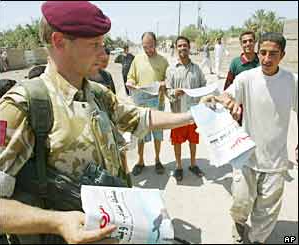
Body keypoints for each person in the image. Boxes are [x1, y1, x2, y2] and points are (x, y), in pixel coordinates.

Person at [0, 2, 213, 243]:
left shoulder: (97, 93)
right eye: (94, 45)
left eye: (103, 44)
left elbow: (141, 117)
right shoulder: (23, 106)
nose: (103, 55)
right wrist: (56, 222)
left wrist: (195, 114)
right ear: (59, 41)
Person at [203, 32, 298, 244]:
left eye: (273, 54)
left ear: (282, 55)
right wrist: (221, 100)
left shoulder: (291, 81)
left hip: (275, 160)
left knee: (267, 210)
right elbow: (227, 95)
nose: (266, 59)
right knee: (241, 202)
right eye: (263, 53)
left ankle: (257, 239)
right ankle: (238, 223)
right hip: (246, 156)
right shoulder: (247, 78)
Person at [164, 36, 206, 182]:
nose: (182, 48)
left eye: (185, 45)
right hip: (178, 114)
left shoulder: (197, 69)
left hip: (194, 113)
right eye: (180, 46)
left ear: (189, 47)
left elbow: (204, 87)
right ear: (176, 48)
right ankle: (179, 166)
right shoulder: (171, 70)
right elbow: (167, 90)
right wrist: (174, 93)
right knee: (177, 141)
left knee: (193, 140)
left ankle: (193, 164)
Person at [126, 32, 169, 176]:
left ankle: (157, 160)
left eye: (150, 46)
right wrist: (131, 83)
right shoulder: (137, 60)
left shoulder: (163, 61)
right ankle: (140, 161)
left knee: (158, 134)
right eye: (145, 47)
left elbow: (168, 80)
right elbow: (131, 77)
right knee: (140, 134)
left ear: (155, 44)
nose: (148, 49)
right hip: (141, 105)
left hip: (158, 104)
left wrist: (164, 84)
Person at [224, 31, 260, 125]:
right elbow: (228, 85)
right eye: (244, 42)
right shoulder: (235, 63)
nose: (248, 44)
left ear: (255, 42)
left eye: (250, 41)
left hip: (257, 106)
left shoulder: (261, 61)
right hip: (240, 108)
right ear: (241, 44)